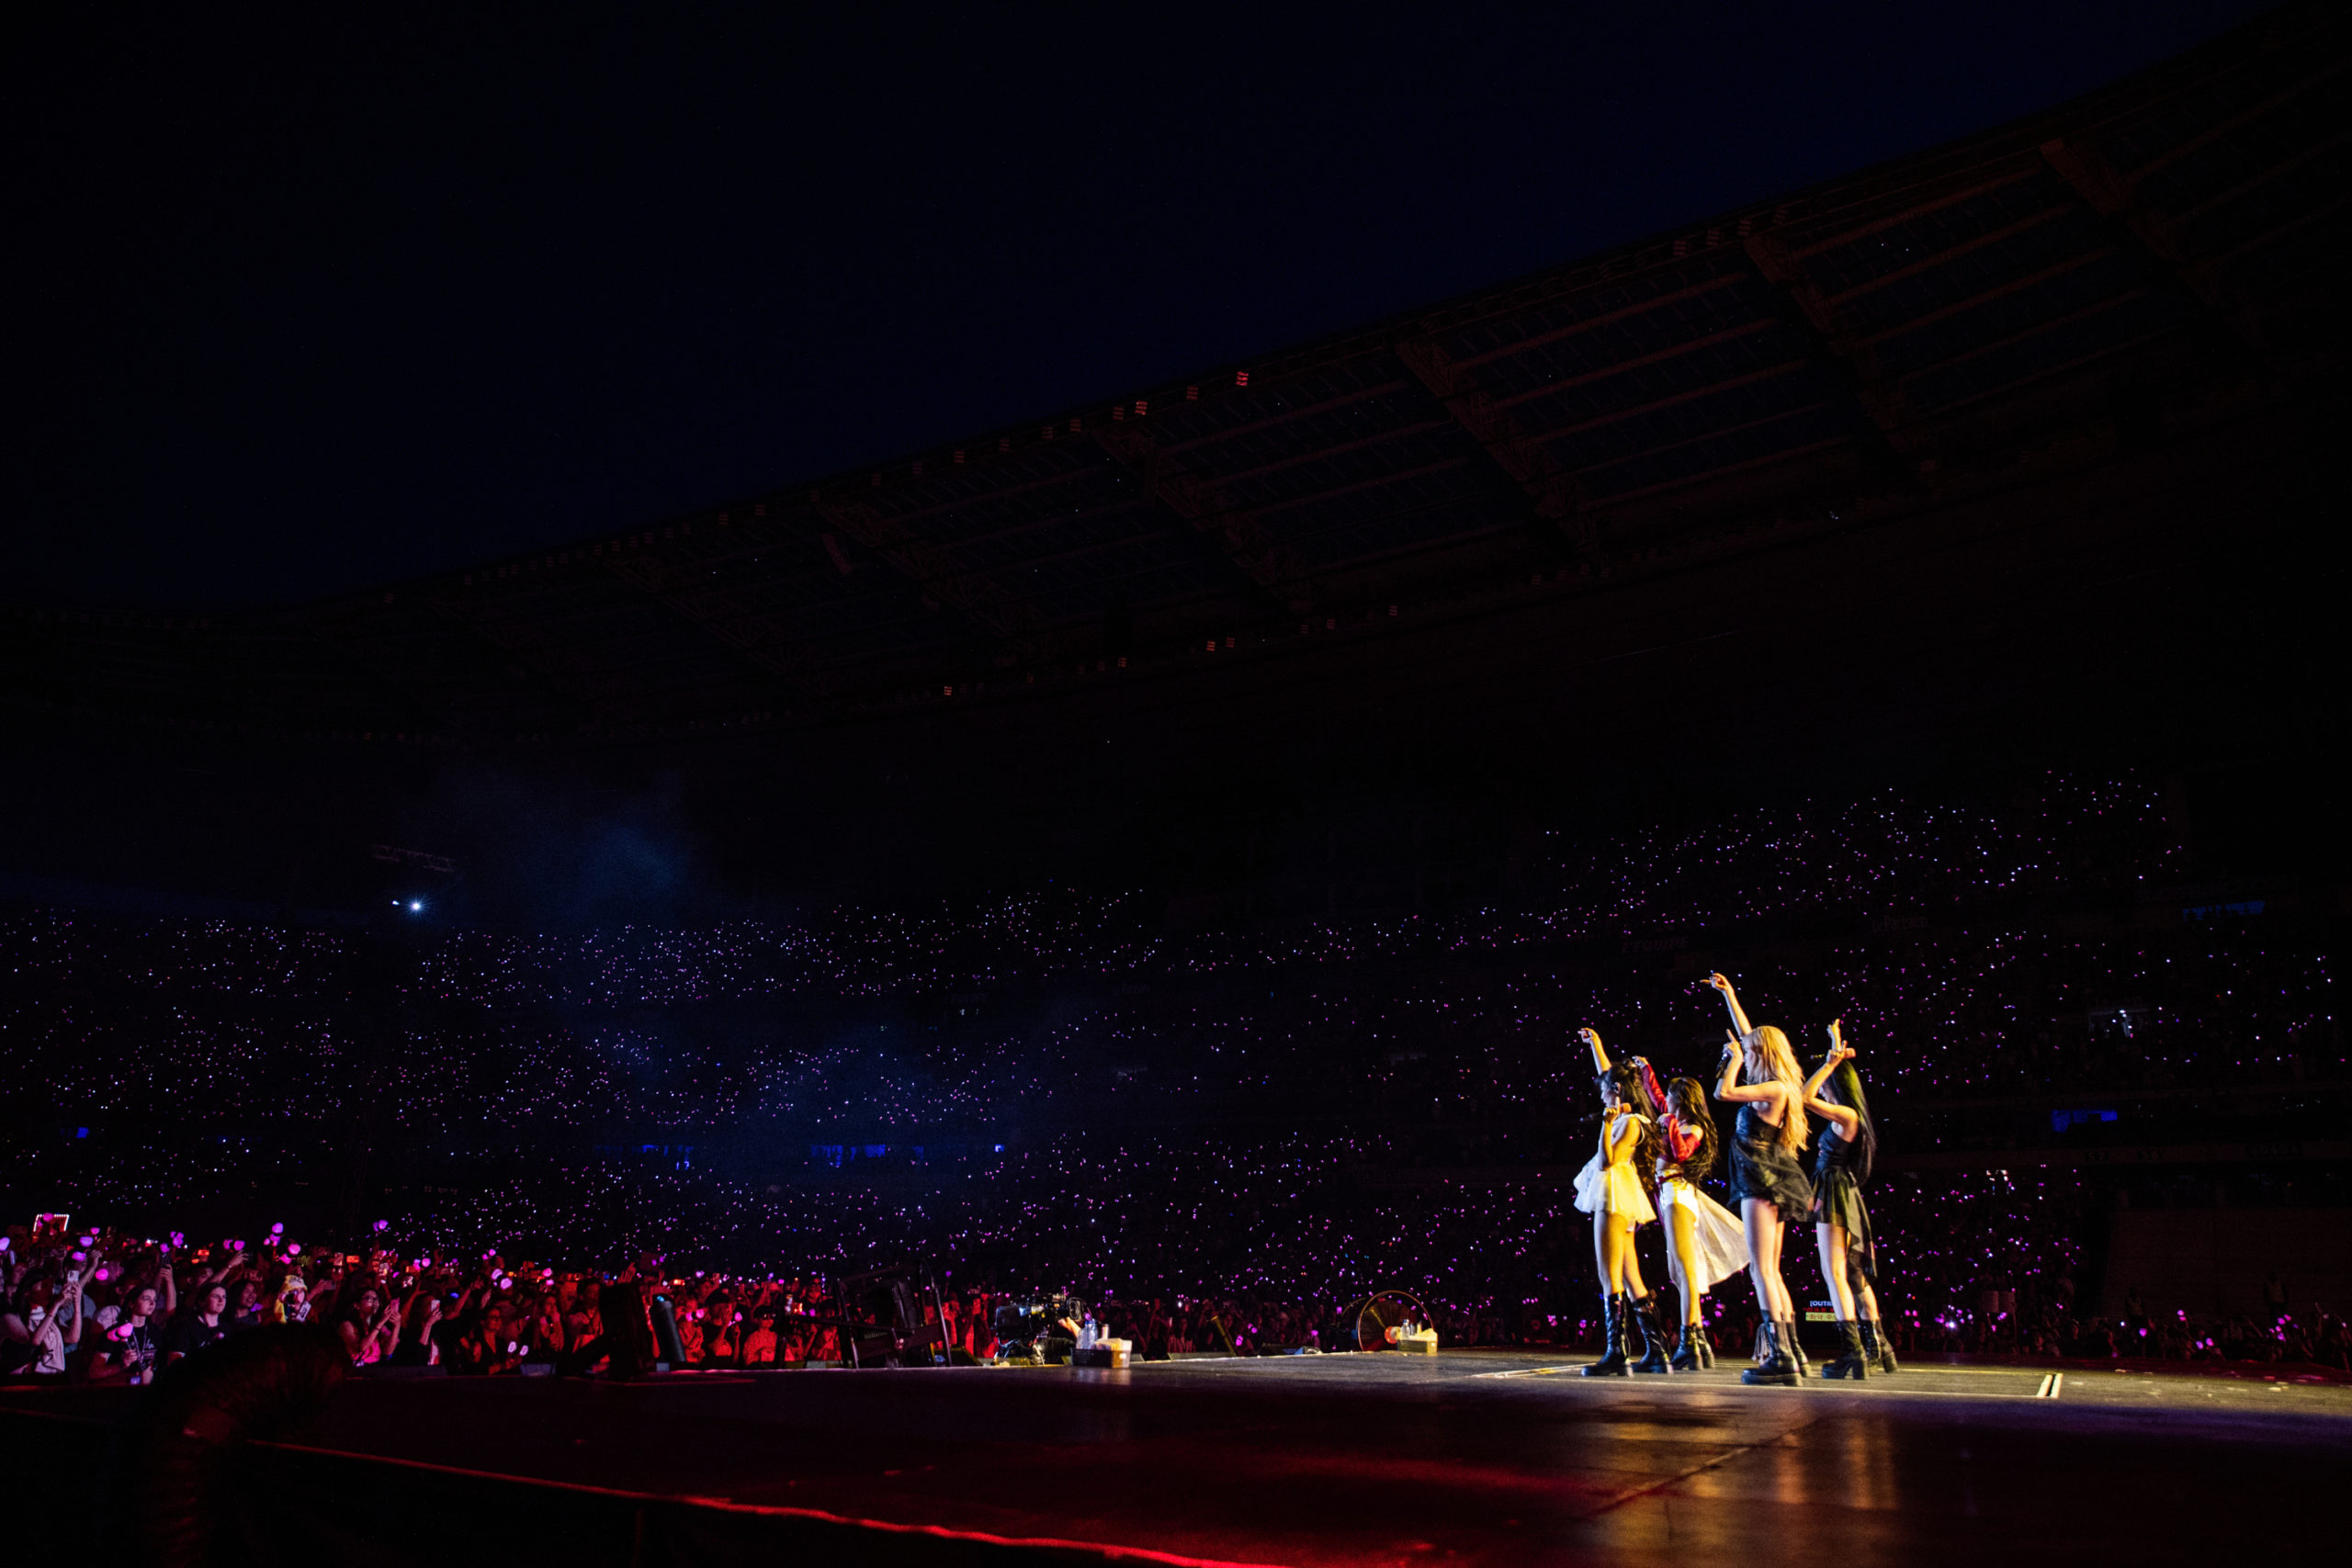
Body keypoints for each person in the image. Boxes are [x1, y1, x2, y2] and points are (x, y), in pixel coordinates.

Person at [1707, 973, 1813, 1386]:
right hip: (1768, 1178)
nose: (1744, 1051)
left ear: (1761, 1054)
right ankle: (1793, 1352)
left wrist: (1731, 1062)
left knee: (1762, 1271)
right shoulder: (1776, 1084)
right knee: (1771, 1268)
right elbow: (1749, 1033)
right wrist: (1730, 994)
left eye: (1749, 1051)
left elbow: (1723, 1093)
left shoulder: (1772, 1089)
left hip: (1760, 1180)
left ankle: (1781, 1357)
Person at [1573, 1027, 1670, 1375]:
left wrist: (1605, 1123)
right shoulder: (1632, 1116)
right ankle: (1657, 1350)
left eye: (1604, 1090)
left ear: (1615, 1092)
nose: (1599, 1093)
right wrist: (1597, 1044)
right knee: (1632, 1277)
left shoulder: (1628, 1123)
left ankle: (1617, 1352)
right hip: (1621, 1192)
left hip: (1613, 1192)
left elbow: (1604, 1161)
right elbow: (1606, 1074)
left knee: (1609, 1275)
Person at [1802, 1021, 1895, 1377]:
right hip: (1843, 1191)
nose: (1822, 1089)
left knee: (1834, 1274)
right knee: (1854, 1277)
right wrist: (1835, 1047)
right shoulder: (1850, 1114)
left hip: (1835, 1193)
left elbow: (1805, 1096)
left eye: (1827, 1083)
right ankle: (1879, 1347)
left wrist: (1829, 1063)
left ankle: (1852, 1352)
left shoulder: (1846, 1115)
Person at [1654, 1074, 1748, 1370]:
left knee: (1686, 1270)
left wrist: (1668, 1122)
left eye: (1670, 1097)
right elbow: (1659, 1098)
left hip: (1678, 1196)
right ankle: (1699, 1342)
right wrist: (1646, 1073)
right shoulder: (1676, 1121)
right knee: (1679, 1272)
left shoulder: (1692, 1128)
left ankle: (1689, 1340)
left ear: (1680, 1100)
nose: (1665, 1102)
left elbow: (1681, 1153)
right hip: (1669, 1195)